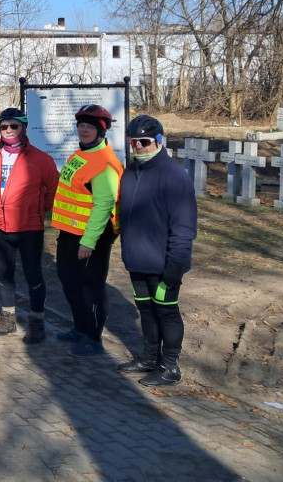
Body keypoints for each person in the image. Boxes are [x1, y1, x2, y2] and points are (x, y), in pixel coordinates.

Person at [116, 115, 197, 387]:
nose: (138, 146)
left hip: (164, 264)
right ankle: (149, 358)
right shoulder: (131, 171)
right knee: (146, 312)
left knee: (166, 313)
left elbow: (184, 227)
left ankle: (170, 366)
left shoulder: (174, 176)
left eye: (144, 142)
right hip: (137, 261)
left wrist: (175, 266)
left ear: (159, 142)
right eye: (133, 142)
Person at [52, 104, 124, 357]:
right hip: (71, 233)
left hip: (92, 237)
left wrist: (88, 241)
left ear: (101, 130)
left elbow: (104, 204)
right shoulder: (81, 155)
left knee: (91, 287)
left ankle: (94, 339)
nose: (83, 130)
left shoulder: (104, 163)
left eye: (89, 127)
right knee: (70, 282)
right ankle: (80, 328)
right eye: (81, 126)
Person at [0, 108, 59, 344]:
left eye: (13, 126)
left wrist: (38, 210)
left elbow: (53, 189)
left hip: (29, 227)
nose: (8, 131)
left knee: (33, 275)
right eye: (4, 127)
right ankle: (8, 317)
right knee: (4, 274)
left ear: (23, 128)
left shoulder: (40, 159)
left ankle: (37, 321)